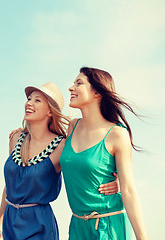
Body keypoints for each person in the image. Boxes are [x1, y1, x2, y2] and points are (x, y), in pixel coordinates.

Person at [0, 82, 119, 240]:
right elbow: (10, 185)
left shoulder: (61, 146)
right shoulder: (16, 138)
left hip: (38, 225)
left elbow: (86, 167)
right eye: (29, 99)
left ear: (50, 112)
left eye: (37, 100)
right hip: (10, 223)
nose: (29, 103)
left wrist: (118, 181)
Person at [60, 67, 147, 239]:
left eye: (79, 83)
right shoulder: (72, 127)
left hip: (108, 225)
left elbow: (128, 189)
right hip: (78, 225)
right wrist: (23, 132)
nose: (71, 88)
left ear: (97, 93)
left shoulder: (117, 134)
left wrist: (142, 237)